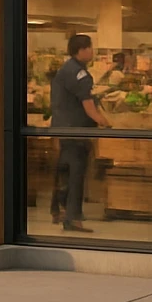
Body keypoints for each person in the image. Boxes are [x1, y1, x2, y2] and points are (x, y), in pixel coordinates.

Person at [49, 34, 109, 232]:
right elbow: (88, 106)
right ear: (81, 50)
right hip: (77, 131)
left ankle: (58, 210)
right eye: (90, 48)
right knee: (76, 174)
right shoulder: (80, 75)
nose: (92, 51)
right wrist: (104, 122)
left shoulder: (65, 69)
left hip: (63, 128)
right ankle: (73, 218)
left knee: (64, 171)